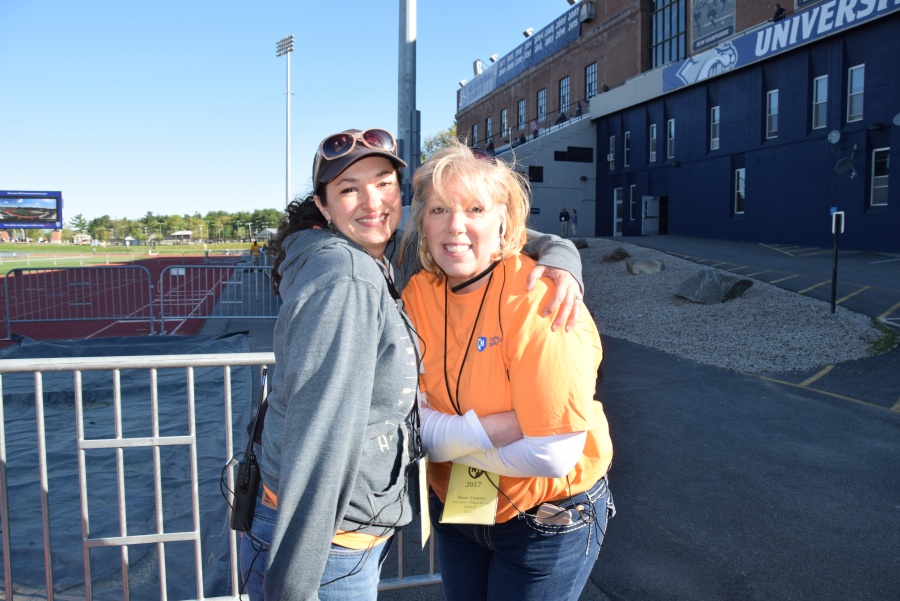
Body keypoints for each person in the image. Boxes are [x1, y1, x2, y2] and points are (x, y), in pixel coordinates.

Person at [239, 128, 585, 601]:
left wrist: (562, 254)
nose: (371, 202)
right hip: (327, 535)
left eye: (383, 183)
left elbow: (553, 453)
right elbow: (319, 439)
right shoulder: (354, 276)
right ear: (323, 207)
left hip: (535, 513)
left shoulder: (393, 253)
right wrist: (293, 586)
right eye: (347, 189)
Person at [401, 141, 615, 601]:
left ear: (504, 221)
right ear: (422, 221)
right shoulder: (418, 294)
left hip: (545, 518)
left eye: (474, 208)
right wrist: (506, 427)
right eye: (439, 209)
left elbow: (552, 454)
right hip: (464, 506)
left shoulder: (540, 297)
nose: (455, 226)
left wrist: (450, 441)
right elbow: (411, 422)